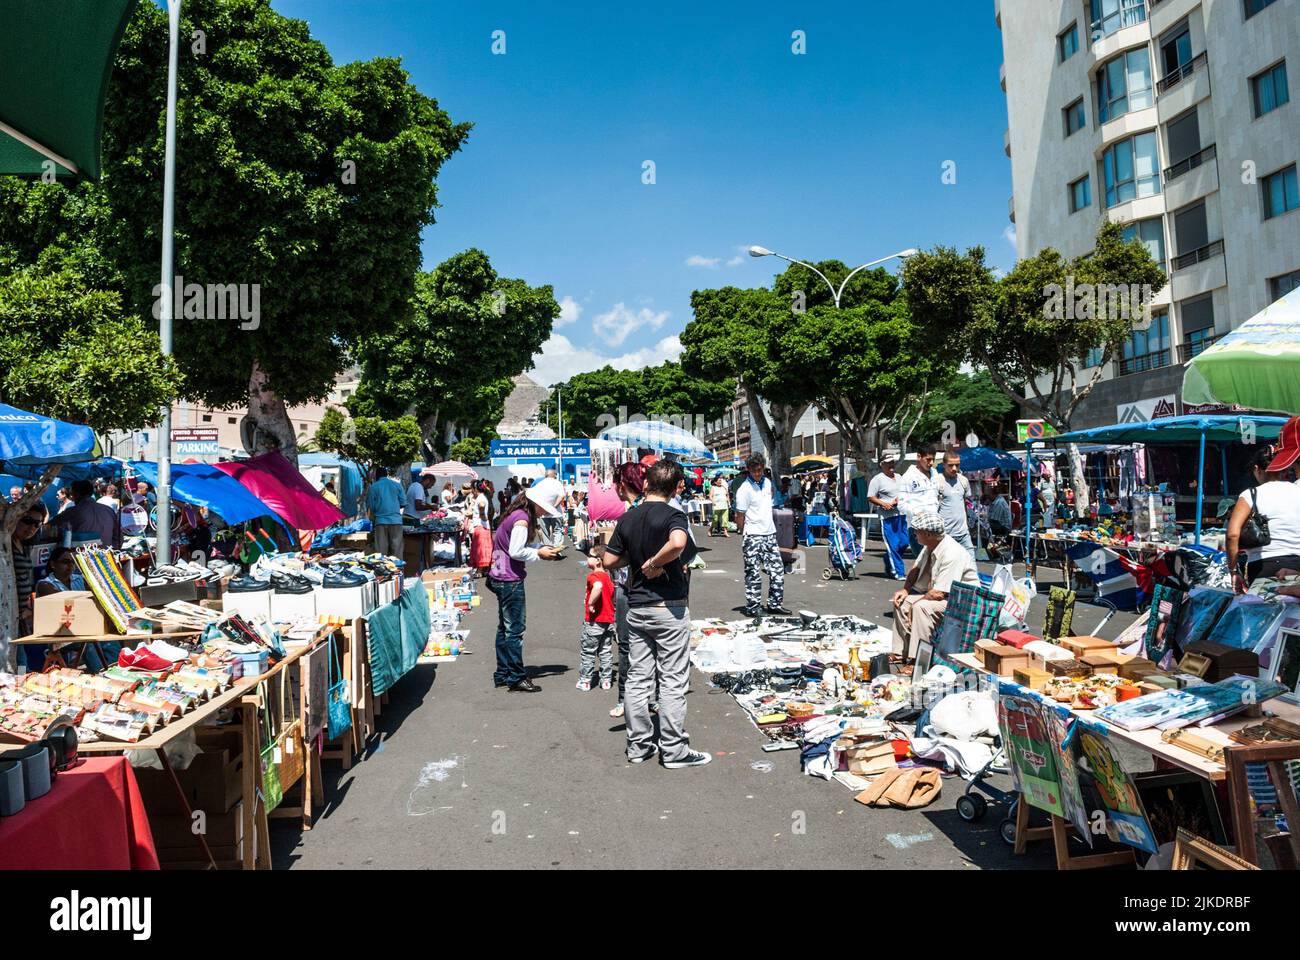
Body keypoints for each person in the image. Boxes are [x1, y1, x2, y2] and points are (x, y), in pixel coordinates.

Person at [603, 459, 710, 768]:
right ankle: (674, 750)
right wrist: (654, 562)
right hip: (669, 607)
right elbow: (678, 544)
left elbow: (609, 560)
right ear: (675, 487)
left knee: (637, 678)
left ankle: (638, 746)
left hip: (637, 607)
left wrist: (635, 559)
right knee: (673, 680)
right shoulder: (675, 515)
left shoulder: (628, 518)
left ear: (646, 484)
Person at [486, 487, 563, 692]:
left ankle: (503, 673)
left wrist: (539, 549)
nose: (545, 513)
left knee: (505, 628)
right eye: (544, 509)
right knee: (514, 631)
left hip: (499, 574)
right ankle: (515, 676)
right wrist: (540, 553)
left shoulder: (515, 514)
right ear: (536, 504)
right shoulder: (522, 519)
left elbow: (510, 547)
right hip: (509, 579)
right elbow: (516, 551)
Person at [890, 511, 978, 665]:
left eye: (918, 531)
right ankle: (901, 651)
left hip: (960, 601)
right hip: (940, 595)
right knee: (902, 602)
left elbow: (939, 593)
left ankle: (919, 660)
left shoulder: (952, 552)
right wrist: (905, 589)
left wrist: (915, 605)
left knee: (921, 608)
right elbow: (916, 568)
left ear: (929, 534)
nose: (915, 533)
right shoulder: (930, 545)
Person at [1226, 426, 1300, 590]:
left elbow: (1232, 534)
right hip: (1297, 565)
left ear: (1257, 470)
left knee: (1262, 614)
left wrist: (1233, 571)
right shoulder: (1297, 490)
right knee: (1294, 615)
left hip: (1263, 567)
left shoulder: (1250, 494)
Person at [607, 461, 646, 719]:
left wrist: (622, 556)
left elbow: (615, 557)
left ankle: (629, 698)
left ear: (622, 483)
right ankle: (630, 697)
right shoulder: (632, 509)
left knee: (631, 645)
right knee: (630, 644)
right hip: (630, 585)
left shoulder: (638, 512)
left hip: (635, 586)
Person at [734, 453, 789, 617]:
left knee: (778, 570)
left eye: (760, 470)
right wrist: (743, 531)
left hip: (769, 533)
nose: (758, 473)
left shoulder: (767, 484)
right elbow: (740, 515)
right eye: (754, 470)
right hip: (753, 535)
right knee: (753, 572)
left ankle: (774, 603)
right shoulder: (744, 489)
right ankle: (753, 607)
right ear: (748, 470)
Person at [577, 544, 616, 692]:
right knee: (605, 651)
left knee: (588, 651)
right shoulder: (608, 576)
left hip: (594, 622)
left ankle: (585, 681)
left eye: (590, 556)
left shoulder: (594, 576)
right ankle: (606, 680)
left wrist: (591, 602)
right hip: (608, 620)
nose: (587, 559)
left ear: (598, 560)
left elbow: (598, 587)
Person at [867, 454, 908, 580]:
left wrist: (900, 499)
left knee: (905, 542)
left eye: (892, 462)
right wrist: (884, 503)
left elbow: (905, 492)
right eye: (888, 462)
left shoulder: (900, 477)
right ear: (882, 464)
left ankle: (887, 558)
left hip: (902, 514)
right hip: (887, 517)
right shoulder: (877, 479)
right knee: (893, 545)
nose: (891, 465)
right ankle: (899, 572)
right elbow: (871, 496)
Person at [50, 479, 121, 549]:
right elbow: (119, 538)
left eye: (72, 494)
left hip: (80, 556)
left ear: (76, 494)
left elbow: (49, 526)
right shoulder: (109, 510)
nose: (71, 496)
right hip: (106, 556)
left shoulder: (72, 512)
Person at [898, 444, 938, 557]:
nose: (930, 463)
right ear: (919, 457)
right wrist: (917, 513)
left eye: (933, 460)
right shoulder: (908, 477)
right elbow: (901, 505)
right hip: (917, 528)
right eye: (928, 459)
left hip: (934, 526)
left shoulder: (934, 473)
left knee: (936, 565)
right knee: (924, 564)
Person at [934, 449, 975, 555]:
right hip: (945, 536)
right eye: (950, 465)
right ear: (944, 465)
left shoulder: (963, 481)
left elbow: (964, 504)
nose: (954, 468)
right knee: (947, 569)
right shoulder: (937, 482)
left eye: (957, 465)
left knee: (971, 567)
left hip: (964, 535)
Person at [366, 467, 407, 559]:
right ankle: (398, 570)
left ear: (377, 475)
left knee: (381, 552)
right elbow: (404, 502)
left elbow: (371, 506)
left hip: (380, 521)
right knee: (397, 551)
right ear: (386, 475)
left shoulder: (374, 487)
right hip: (396, 521)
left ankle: (382, 571)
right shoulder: (397, 485)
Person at [529, 468, 566, 546]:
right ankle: (556, 549)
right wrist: (554, 507)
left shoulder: (540, 484)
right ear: (553, 475)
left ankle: (548, 549)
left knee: (545, 532)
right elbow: (562, 496)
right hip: (556, 513)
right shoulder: (557, 483)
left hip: (542, 512)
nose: (556, 476)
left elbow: (533, 496)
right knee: (557, 531)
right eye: (555, 474)